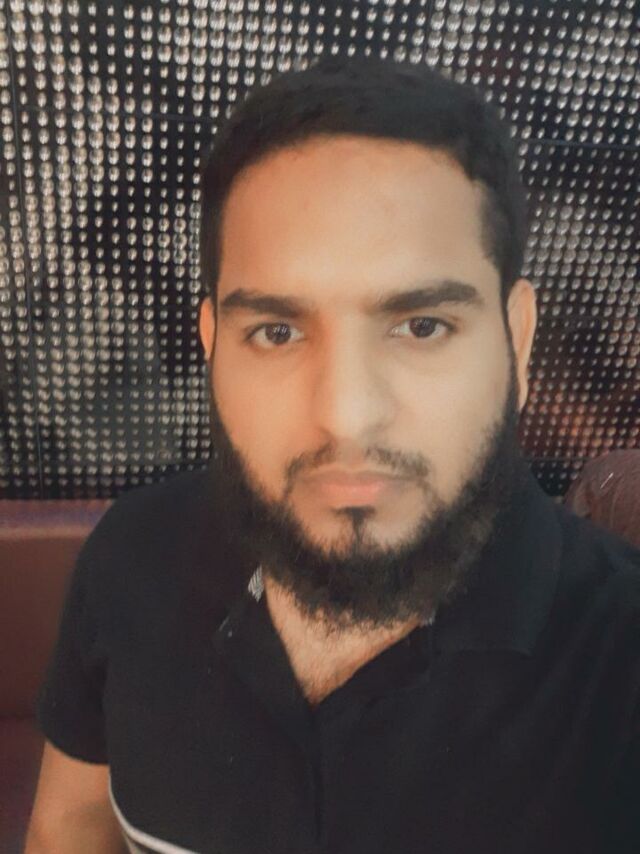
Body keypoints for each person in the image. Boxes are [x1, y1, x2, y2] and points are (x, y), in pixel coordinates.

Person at [26, 55, 640, 854]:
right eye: (276, 332)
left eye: (422, 326)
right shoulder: (130, 555)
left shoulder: (619, 661)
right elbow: (70, 823)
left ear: (516, 343)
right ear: (212, 347)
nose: (345, 415)